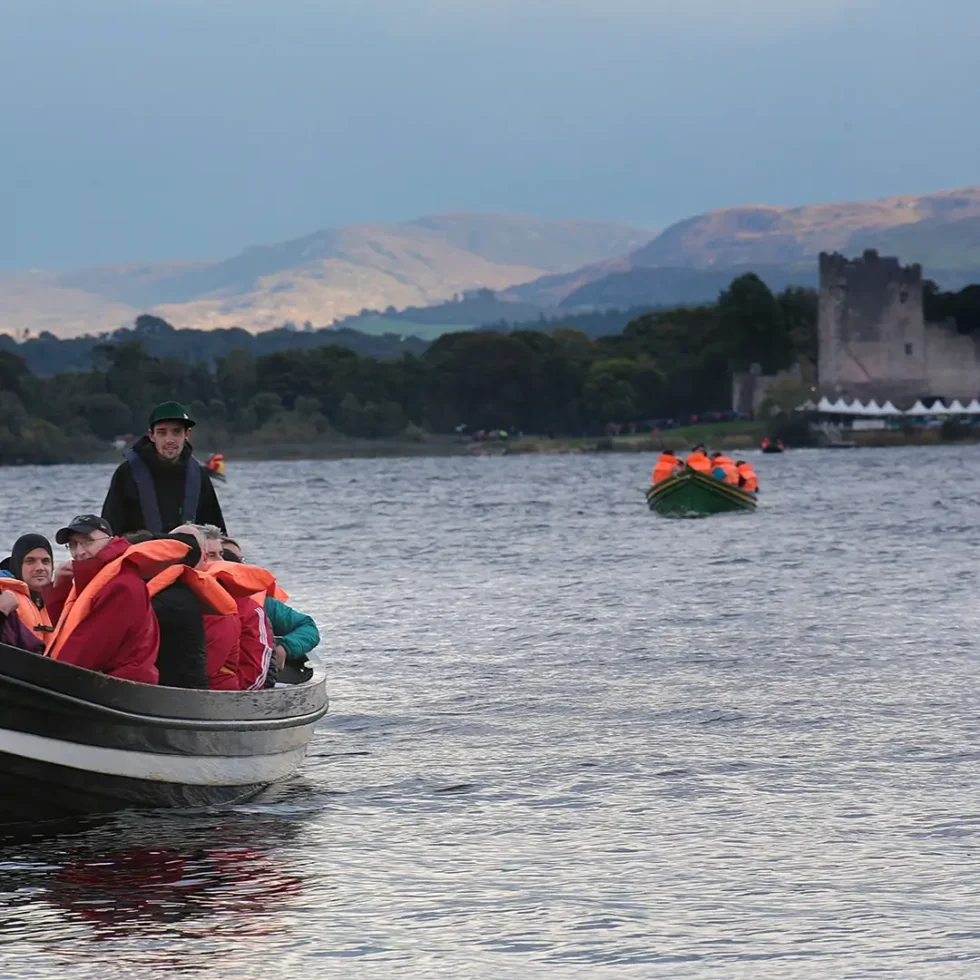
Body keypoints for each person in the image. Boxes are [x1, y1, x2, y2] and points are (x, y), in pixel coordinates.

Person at [43, 515, 188, 683]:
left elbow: (90, 647)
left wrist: (50, 678)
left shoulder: (122, 585)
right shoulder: (96, 581)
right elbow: (68, 632)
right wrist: (60, 587)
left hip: (123, 686)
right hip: (110, 682)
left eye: (87, 541)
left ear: (109, 541)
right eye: (73, 544)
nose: (79, 551)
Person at [101, 402, 225, 537]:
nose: (169, 440)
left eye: (176, 432)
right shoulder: (126, 473)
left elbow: (217, 530)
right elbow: (110, 529)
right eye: (162, 433)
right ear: (152, 435)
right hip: (140, 552)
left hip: (188, 551)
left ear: (187, 434)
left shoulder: (198, 475)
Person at [221, 536, 320, 685]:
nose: (236, 564)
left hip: (252, 681)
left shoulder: (263, 604)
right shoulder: (187, 599)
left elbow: (308, 627)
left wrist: (285, 647)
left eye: (240, 560)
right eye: (229, 557)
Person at [0, 533, 54, 636]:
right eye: (30, 561)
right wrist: (2, 612)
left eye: (45, 561)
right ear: (17, 565)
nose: (40, 568)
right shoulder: (2, 595)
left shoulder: (59, 601)